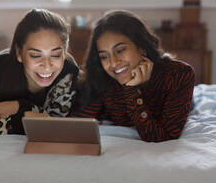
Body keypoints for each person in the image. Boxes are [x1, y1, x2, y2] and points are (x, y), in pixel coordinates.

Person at [71, 10, 195, 142]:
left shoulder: (179, 74)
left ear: (141, 47)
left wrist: (131, 91)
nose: (113, 63)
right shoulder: (104, 75)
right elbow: (76, 125)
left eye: (120, 50)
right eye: (104, 56)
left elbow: (163, 138)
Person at [0, 9, 79, 135]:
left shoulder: (68, 72)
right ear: (19, 53)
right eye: (36, 55)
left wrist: (19, 107)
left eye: (56, 55)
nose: (47, 66)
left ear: (64, 53)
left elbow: (55, 122)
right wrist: (22, 118)